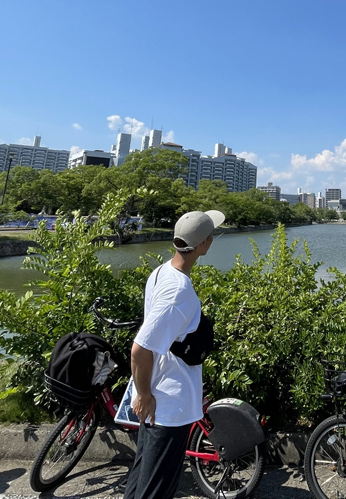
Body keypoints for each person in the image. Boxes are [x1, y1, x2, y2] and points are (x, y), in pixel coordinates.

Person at [124, 209, 224, 499]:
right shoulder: (179, 292)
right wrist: (144, 395)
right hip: (166, 404)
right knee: (156, 490)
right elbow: (140, 349)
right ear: (204, 244)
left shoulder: (162, 272)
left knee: (142, 479)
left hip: (158, 398)